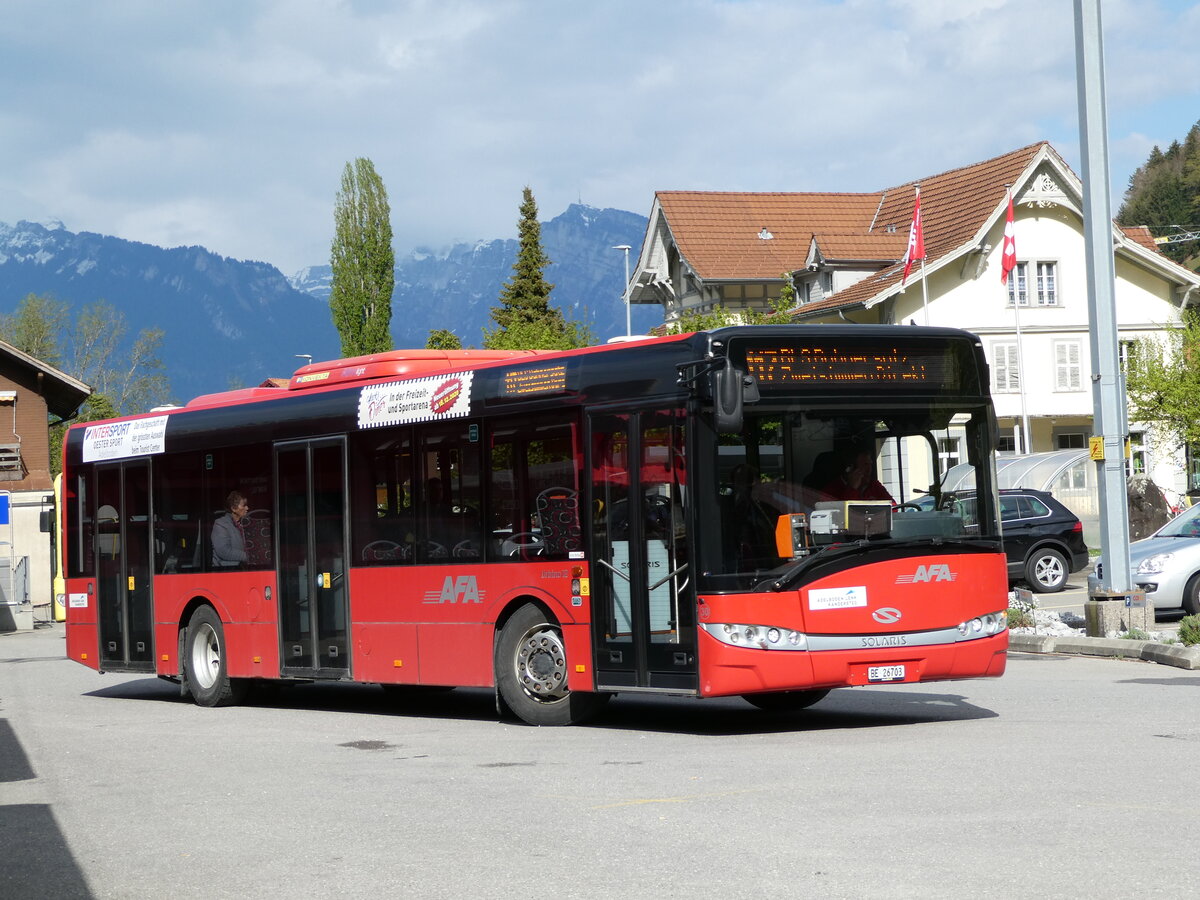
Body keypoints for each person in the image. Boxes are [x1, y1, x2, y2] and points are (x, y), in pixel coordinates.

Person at [820, 448, 894, 502]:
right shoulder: (831, 491)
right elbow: (846, 514)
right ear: (850, 469)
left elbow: (893, 508)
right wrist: (852, 489)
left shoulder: (874, 485)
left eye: (870, 464)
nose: (869, 469)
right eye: (865, 465)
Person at [212, 490, 249, 567]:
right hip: (227, 571)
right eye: (244, 505)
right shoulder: (221, 524)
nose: (247, 508)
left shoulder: (246, 523)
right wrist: (250, 556)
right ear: (233, 508)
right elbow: (224, 551)